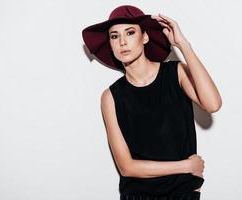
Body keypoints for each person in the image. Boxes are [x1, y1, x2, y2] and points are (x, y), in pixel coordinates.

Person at [82, 5, 222, 200]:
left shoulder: (176, 73)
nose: (122, 42)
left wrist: (183, 45)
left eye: (130, 32)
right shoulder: (111, 97)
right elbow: (127, 167)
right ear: (111, 45)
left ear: (145, 37)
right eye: (114, 36)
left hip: (183, 193)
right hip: (138, 195)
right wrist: (186, 166)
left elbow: (213, 104)